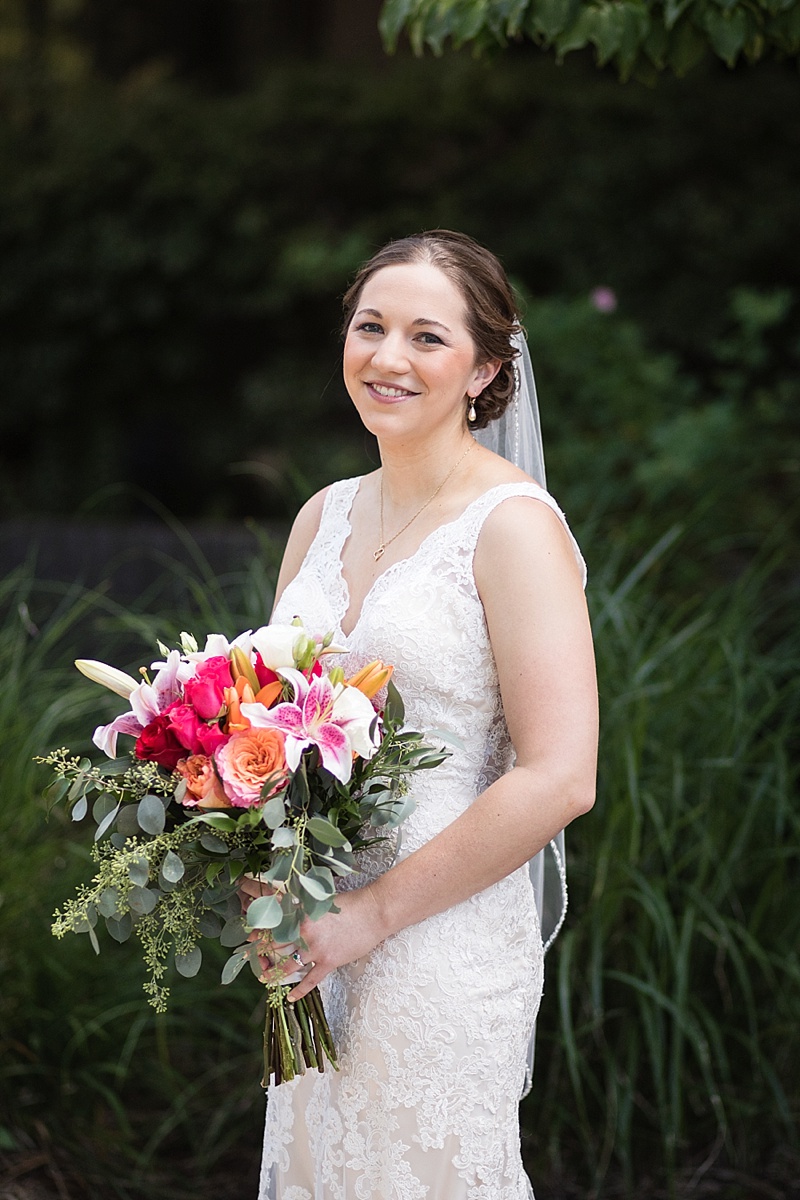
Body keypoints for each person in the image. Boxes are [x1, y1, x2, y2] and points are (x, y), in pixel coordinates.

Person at [252, 230, 598, 1199]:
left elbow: (561, 775)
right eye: (369, 328)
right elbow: (262, 725)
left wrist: (371, 917)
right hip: (311, 927)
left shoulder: (511, 527)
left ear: (484, 369)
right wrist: (257, 871)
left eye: (426, 337)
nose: (387, 358)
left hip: (437, 934)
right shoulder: (321, 515)